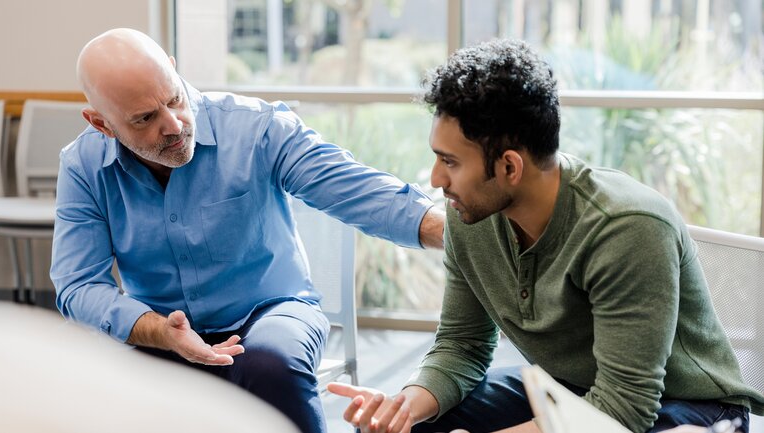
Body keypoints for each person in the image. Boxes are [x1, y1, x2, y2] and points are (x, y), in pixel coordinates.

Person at [327, 38, 764, 433]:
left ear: (509, 167)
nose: (437, 178)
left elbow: (623, 410)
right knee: (416, 426)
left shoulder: (626, 228)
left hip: (687, 410)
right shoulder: (469, 216)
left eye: (451, 162)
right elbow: (462, 346)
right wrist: (403, 407)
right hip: (571, 388)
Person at [50, 28, 444, 433]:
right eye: (146, 119)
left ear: (173, 70)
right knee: (98, 394)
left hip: (272, 310)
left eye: (174, 99)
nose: (174, 125)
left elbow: (353, 189)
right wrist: (158, 332)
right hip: (163, 326)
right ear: (102, 123)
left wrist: (454, 232)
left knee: (270, 363)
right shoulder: (83, 167)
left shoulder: (257, 128)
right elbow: (78, 285)